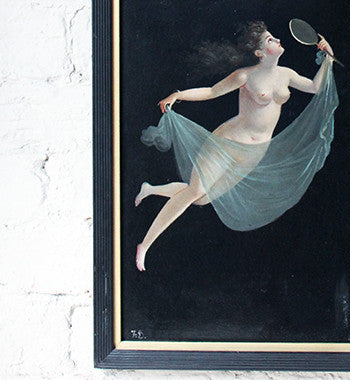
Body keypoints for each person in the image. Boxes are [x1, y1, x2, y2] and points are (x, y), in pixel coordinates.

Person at [135, 21, 335, 271]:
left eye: (273, 37)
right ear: (259, 52)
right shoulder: (245, 76)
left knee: (202, 199)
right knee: (195, 192)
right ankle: (145, 245)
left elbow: (315, 88)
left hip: (254, 153)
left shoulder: (286, 74)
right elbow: (211, 91)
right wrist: (178, 95)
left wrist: (328, 60)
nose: (277, 40)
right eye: (270, 39)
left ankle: (150, 189)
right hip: (227, 143)